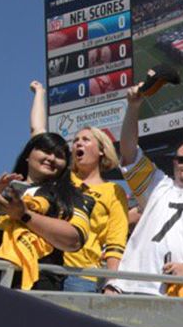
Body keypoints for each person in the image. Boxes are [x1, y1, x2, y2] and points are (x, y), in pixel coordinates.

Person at [106, 86, 183, 296]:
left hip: (178, 292)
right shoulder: (157, 185)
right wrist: (133, 108)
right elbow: (128, 152)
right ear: (174, 163)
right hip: (132, 285)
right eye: (182, 159)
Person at [28, 80, 130, 293]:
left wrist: (112, 282)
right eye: (75, 140)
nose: (78, 144)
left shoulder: (113, 191)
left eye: (85, 140)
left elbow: (116, 241)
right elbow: (38, 133)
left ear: (102, 150)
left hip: (82, 276)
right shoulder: (62, 176)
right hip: (43, 265)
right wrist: (40, 93)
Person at [0, 133, 93, 290]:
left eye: (59, 156)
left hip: (37, 286)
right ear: (27, 155)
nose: (51, 158)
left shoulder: (72, 197)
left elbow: (74, 239)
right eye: (45, 150)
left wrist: (24, 215)